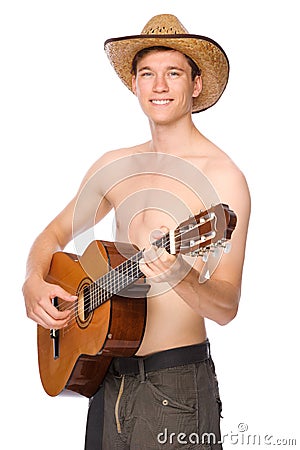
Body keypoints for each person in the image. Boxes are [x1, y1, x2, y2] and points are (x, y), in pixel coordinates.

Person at [22, 13, 250, 450]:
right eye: (148, 73)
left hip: (176, 388)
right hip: (107, 381)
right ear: (134, 83)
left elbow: (227, 307)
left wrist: (179, 275)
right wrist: (33, 280)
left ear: (196, 85)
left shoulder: (223, 178)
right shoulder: (114, 165)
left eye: (173, 73)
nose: (159, 86)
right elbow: (49, 238)